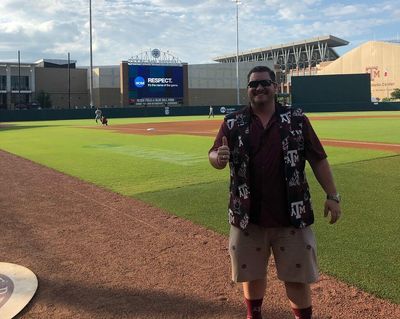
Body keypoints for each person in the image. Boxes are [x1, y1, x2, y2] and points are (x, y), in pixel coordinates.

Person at [208, 66, 341, 319]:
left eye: (265, 83)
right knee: (252, 274)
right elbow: (214, 153)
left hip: (292, 215)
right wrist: (218, 158)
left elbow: (318, 159)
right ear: (248, 89)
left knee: (297, 278)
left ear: (275, 87)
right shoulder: (233, 122)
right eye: (253, 84)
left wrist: (333, 196)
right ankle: (253, 315)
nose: (259, 88)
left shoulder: (297, 119)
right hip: (247, 216)